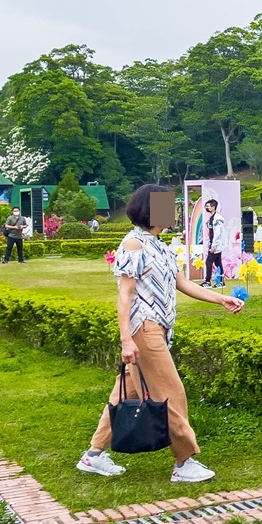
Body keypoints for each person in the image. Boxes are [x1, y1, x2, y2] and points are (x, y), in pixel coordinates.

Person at [78, 184, 244, 483]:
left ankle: (93, 456)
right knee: (171, 392)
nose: (173, 213)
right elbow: (124, 296)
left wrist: (221, 299)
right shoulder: (133, 245)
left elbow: (181, 282)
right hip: (144, 327)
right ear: (150, 209)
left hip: (159, 327)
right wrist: (126, 339)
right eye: (166, 206)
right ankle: (184, 461)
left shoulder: (159, 244)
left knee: (125, 393)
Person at [199, 199, 226, 288]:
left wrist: (214, 246)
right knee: (218, 263)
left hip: (216, 245)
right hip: (214, 243)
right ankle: (221, 282)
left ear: (213, 207)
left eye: (208, 206)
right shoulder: (212, 218)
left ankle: (207, 281)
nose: (207, 208)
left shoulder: (217, 219)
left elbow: (217, 233)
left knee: (209, 262)